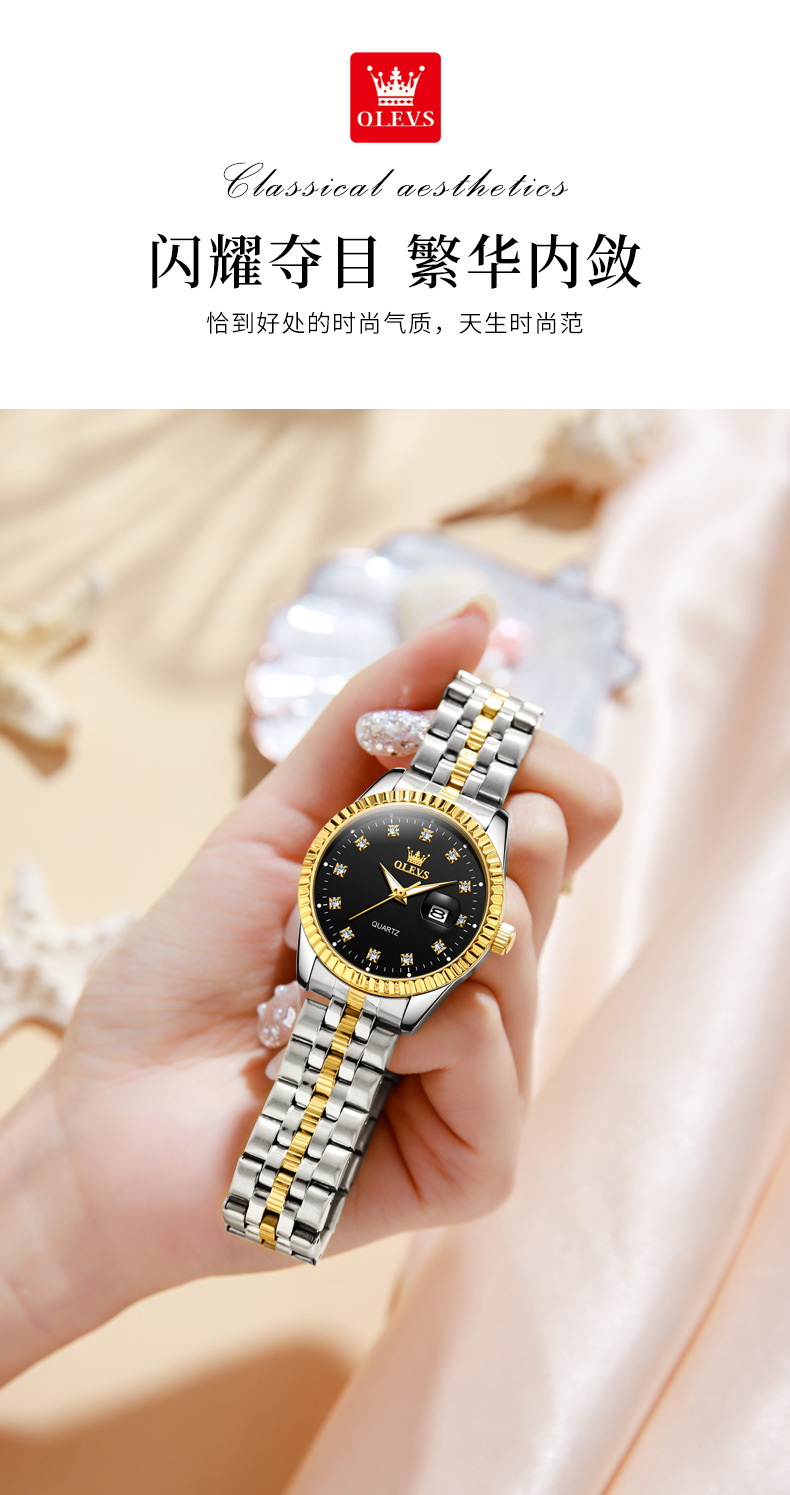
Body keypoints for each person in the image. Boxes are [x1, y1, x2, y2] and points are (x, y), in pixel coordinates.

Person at [0, 598, 620, 1386]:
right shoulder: (331, 862)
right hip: (333, 971)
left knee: (523, 853)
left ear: (484, 928)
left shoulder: (478, 899)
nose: (400, 893)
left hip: (377, 988)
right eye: (394, 883)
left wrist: (74, 1219)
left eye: (418, 896)